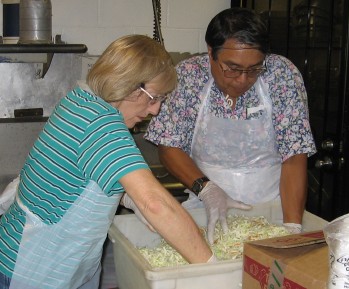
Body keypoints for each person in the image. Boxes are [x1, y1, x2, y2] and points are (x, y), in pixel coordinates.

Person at [0, 35, 214, 289]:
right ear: (130, 86)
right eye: (153, 98)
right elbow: (156, 204)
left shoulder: (82, 99)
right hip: (35, 268)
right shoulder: (102, 126)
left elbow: (85, 175)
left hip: (66, 263)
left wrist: (127, 198)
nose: (155, 110)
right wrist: (212, 270)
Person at [144, 8, 317, 244]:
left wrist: (291, 228)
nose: (243, 79)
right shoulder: (188, 76)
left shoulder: (282, 74)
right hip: (205, 207)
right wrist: (207, 190)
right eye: (232, 68)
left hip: (273, 209)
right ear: (210, 53)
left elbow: (294, 154)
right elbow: (169, 145)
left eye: (254, 69)